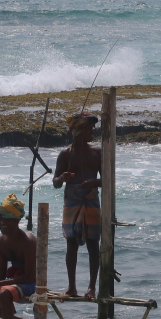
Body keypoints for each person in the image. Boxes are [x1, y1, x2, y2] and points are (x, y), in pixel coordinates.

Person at [53, 113, 102, 299]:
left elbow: (107, 180)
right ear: (79, 131)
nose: (93, 131)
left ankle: (91, 288)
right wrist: (62, 178)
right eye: (89, 128)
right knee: (71, 243)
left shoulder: (97, 153)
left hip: (91, 200)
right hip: (72, 201)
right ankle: (72, 287)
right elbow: (55, 183)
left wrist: (94, 183)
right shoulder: (66, 154)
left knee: (93, 244)